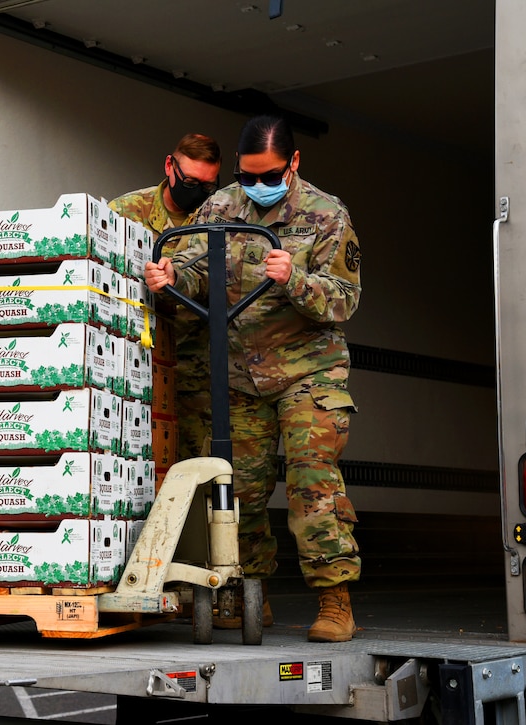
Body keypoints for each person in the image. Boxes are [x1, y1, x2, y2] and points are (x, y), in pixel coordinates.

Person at [144, 114, 363, 643]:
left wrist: (296, 280)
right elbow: (199, 270)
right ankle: (250, 596)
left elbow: (343, 298)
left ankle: (336, 601)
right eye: (247, 176)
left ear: (293, 163)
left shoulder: (326, 214)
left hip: (307, 368)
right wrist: (173, 276)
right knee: (238, 489)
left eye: (268, 176)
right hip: (240, 372)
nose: (256, 187)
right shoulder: (220, 207)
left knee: (313, 483)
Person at [109, 133, 222, 463]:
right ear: (169, 166)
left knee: (195, 463)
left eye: (208, 186)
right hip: (136, 359)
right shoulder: (127, 212)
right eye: (189, 181)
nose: (198, 191)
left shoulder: (218, 218)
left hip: (196, 365)